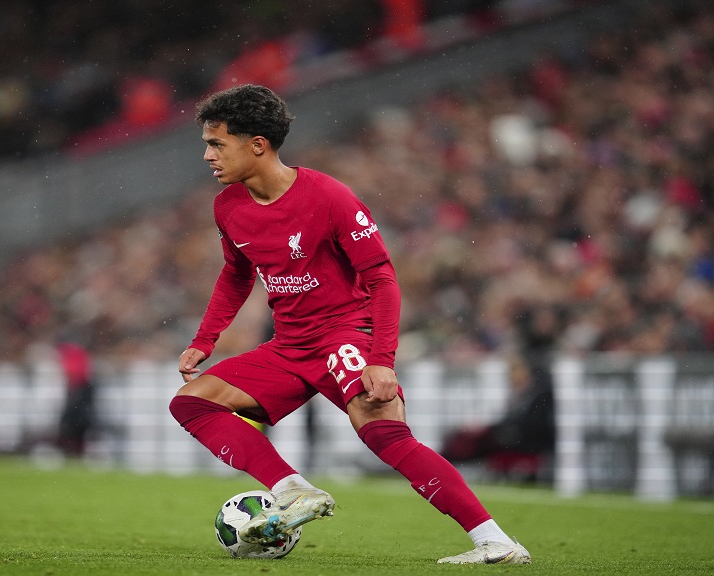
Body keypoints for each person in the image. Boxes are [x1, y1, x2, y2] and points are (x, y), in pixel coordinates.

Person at [168, 84, 531, 565]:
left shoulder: (329, 196)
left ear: (257, 144)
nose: (208, 155)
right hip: (289, 344)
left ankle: (496, 541)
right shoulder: (228, 207)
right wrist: (204, 341)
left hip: (343, 336)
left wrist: (381, 360)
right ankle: (293, 490)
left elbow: (381, 277)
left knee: (386, 435)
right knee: (191, 404)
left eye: (217, 143)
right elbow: (236, 274)